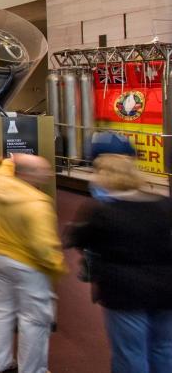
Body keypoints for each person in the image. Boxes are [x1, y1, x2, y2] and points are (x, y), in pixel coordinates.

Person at [66, 154, 172, 373]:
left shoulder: (102, 212)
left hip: (124, 292)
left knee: (130, 352)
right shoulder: (164, 205)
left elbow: (76, 239)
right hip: (165, 289)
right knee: (163, 347)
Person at [0, 154, 67, 373]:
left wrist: (9, 159)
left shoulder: (0, 183)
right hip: (29, 266)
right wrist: (58, 267)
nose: (49, 175)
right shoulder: (38, 203)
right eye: (43, 171)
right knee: (34, 321)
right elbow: (44, 247)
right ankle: (32, 370)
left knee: (2, 311)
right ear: (27, 174)